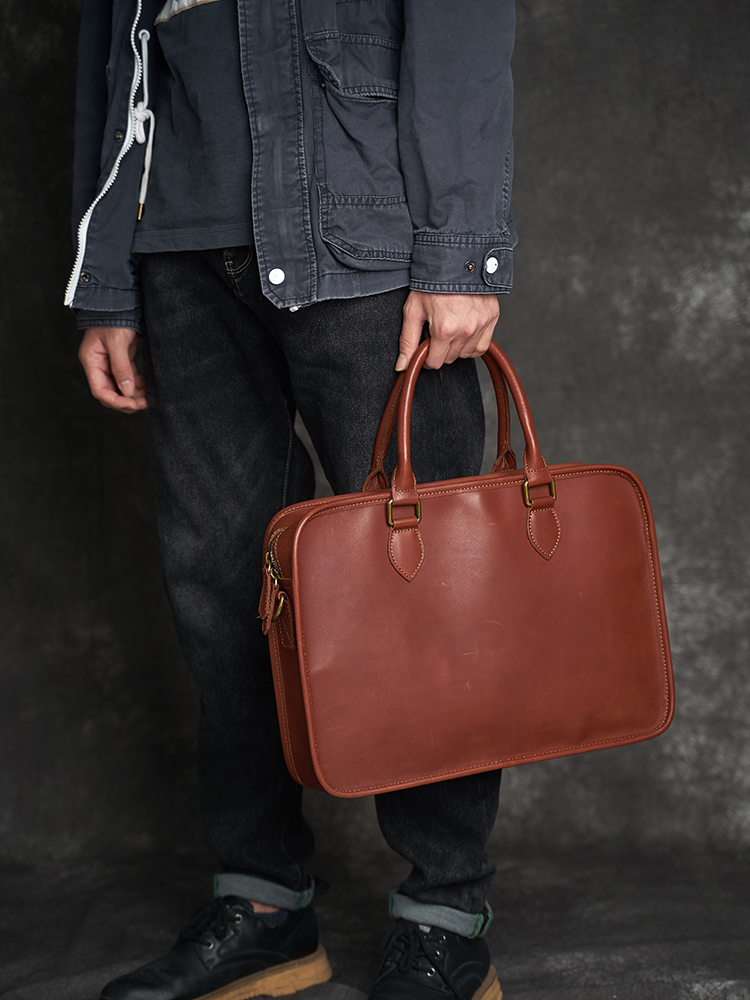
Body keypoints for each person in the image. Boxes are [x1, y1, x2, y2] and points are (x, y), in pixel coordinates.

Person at [68, 1, 517, 998]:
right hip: (174, 239)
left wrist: (460, 244)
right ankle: (264, 901)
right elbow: (111, 50)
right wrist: (106, 278)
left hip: (362, 227)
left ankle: (446, 912)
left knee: (424, 583)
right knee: (221, 587)